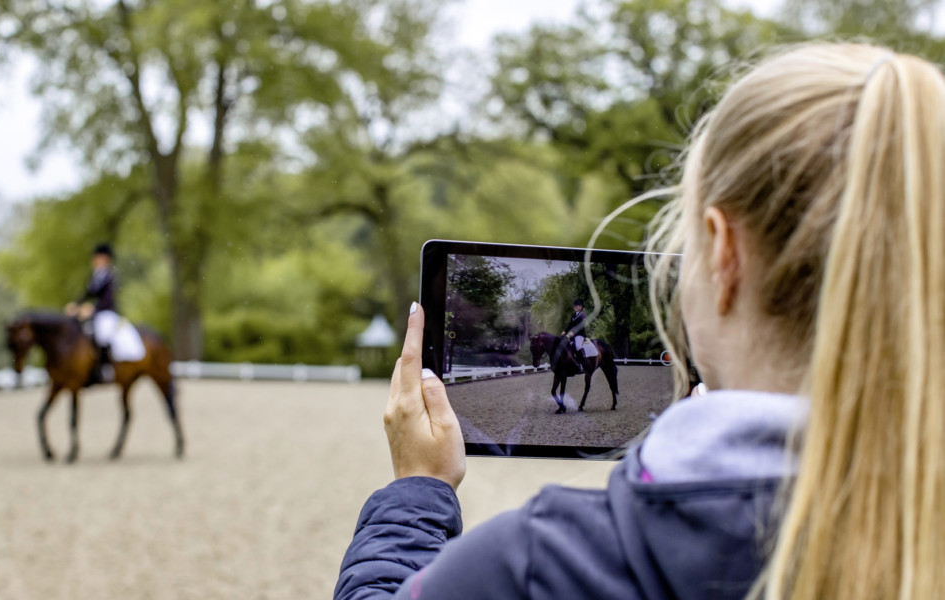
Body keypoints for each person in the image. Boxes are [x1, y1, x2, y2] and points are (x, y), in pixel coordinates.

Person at [335, 44, 945, 600]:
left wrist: (417, 488)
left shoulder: (532, 564)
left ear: (723, 253)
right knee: (567, 344)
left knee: (578, 346)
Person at [65, 243, 119, 384]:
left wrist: (93, 309)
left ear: (105, 259)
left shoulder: (109, 275)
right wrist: (76, 305)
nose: (95, 260)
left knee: (102, 335)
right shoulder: (95, 275)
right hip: (96, 312)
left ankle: (107, 369)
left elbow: (107, 299)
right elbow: (88, 293)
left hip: (106, 312)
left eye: (98, 257)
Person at [563, 298, 588, 373]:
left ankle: (583, 365)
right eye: (575, 306)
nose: (575, 307)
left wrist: (573, 333)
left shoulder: (583, 316)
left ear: (581, 307)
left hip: (580, 335)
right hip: (573, 335)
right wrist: (565, 331)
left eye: (577, 306)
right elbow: (570, 325)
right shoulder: (574, 315)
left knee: (577, 346)